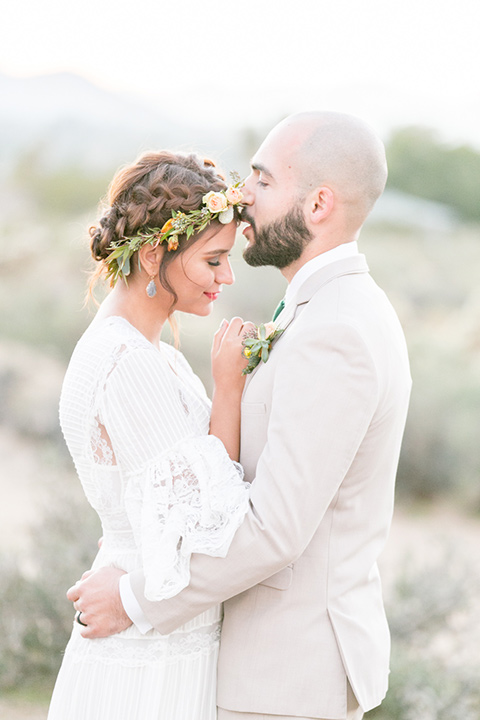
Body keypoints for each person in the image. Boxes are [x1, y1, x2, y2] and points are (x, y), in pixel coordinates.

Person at [68, 112, 412, 720]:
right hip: (252, 667)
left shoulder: (336, 329)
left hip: (284, 675)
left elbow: (275, 527)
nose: (242, 193)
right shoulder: (318, 310)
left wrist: (135, 597)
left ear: (319, 203)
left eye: (262, 178)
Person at [47, 151, 254, 720]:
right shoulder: (126, 363)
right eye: (213, 259)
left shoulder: (150, 354)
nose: (226, 277)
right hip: (149, 648)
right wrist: (230, 391)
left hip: (160, 622)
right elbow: (207, 520)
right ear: (154, 253)